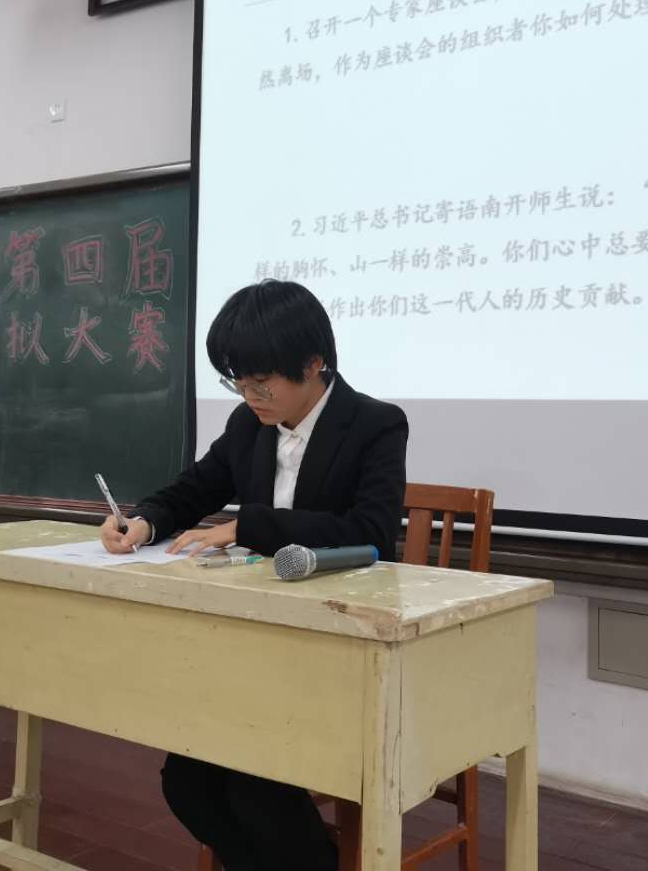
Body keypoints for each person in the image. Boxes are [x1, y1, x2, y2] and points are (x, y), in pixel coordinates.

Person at [99, 279, 408, 871]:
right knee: (186, 782)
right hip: (257, 642)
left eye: (261, 381)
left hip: (337, 648)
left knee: (253, 784)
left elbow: (371, 533)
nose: (248, 395)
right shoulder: (249, 425)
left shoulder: (375, 424)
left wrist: (248, 527)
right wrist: (142, 522)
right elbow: (196, 488)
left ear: (313, 363)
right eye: (237, 381)